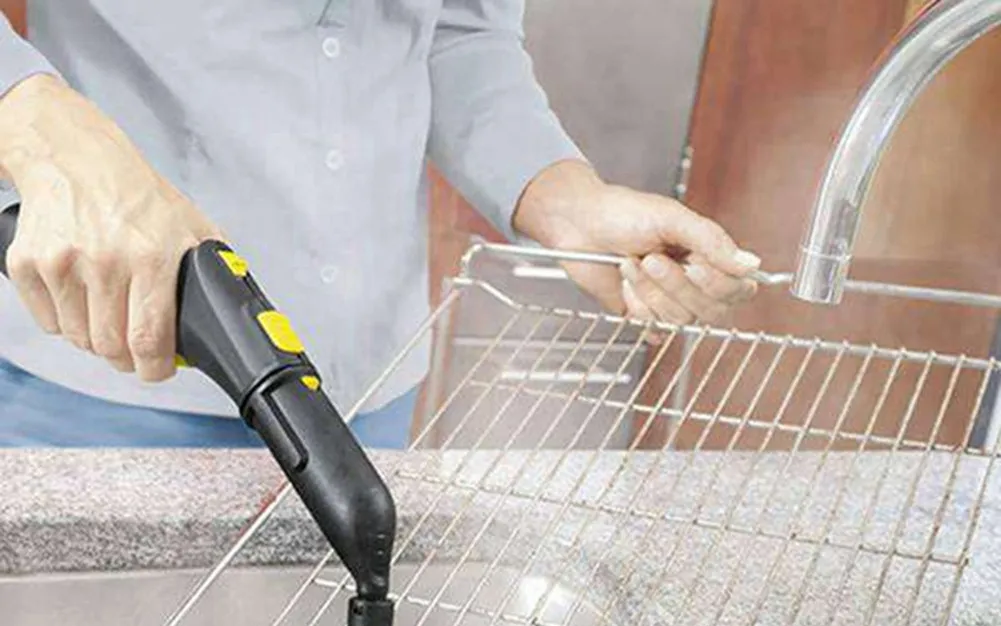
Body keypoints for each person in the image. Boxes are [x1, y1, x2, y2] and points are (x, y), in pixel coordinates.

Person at [0, 1, 760, 449]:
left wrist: (568, 202)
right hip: (112, 379)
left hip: (370, 388)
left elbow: (459, 31)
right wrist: (48, 130)